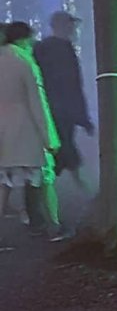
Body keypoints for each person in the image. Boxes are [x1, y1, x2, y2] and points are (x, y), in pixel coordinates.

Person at [0, 22, 61, 237]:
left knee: (4, 183)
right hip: (28, 134)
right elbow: (37, 103)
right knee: (45, 178)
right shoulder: (25, 62)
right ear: (23, 39)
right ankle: (54, 226)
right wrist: (50, 138)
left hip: (3, 136)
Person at [33, 10, 94, 191]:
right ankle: (86, 191)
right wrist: (82, 117)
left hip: (54, 110)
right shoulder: (58, 49)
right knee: (64, 151)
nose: (73, 29)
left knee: (60, 152)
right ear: (61, 26)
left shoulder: (44, 48)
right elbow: (70, 86)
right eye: (70, 25)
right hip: (60, 112)